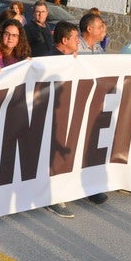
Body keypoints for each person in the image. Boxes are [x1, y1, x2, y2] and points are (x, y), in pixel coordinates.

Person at [44, 20, 80, 219]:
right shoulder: (52, 61)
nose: (78, 41)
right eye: (75, 38)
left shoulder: (68, 58)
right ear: (65, 40)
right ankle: (54, 198)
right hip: (54, 117)